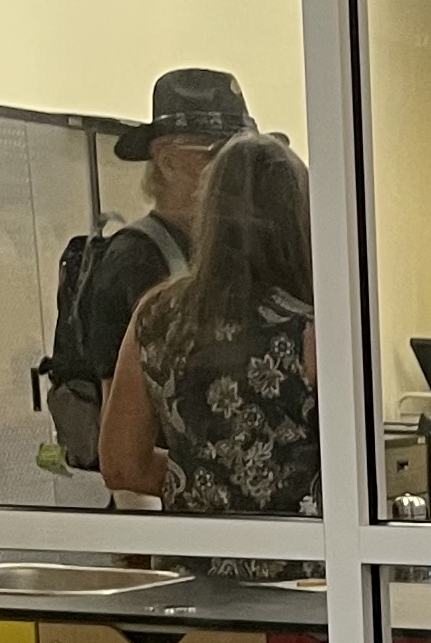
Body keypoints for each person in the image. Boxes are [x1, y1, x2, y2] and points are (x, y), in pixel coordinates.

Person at [101, 132, 319, 555]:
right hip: (300, 575)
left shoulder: (156, 315)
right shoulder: (311, 326)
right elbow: (351, 474)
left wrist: (207, 475)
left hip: (194, 572)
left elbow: (122, 464)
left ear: (210, 213)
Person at [46, 66, 256, 474]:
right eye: (221, 156)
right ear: (169, 161)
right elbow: (122, 447)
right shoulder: (133, 264)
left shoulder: (227, 251)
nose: (240, 173)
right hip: (174, 510)